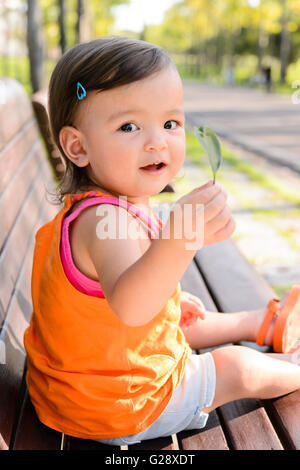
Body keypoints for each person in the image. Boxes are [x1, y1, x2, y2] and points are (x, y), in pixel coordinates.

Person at [24, 36, 300, 446]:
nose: (157, 141)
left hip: (80, 384)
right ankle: (292, 367)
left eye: (170, 123)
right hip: (120, 405)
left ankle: (261, 323)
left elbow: (127, 293)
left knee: (186, 316)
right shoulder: (103, 219)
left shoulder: (104, 206)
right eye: (129, 126)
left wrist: (170, 291)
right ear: (78, 147)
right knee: (235, 368)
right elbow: (134, 307)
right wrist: (182, 236)